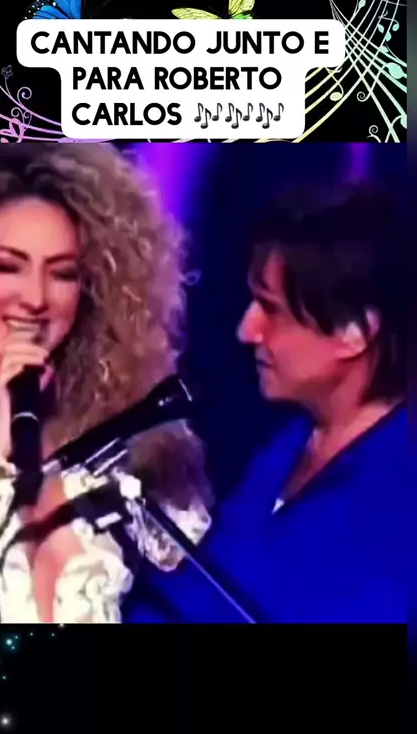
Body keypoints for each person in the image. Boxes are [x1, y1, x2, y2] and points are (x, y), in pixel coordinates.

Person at [0, 142, 213, 623]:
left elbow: (201, 589)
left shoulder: (123, 451)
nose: (35, 298)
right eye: (6, 266)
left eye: (63, 274)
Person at [123, 181, 409, 624]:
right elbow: (195, 597)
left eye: (270, 309)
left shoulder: (398, 498)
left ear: (355, 333)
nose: (247, 330)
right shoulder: (282, 445)